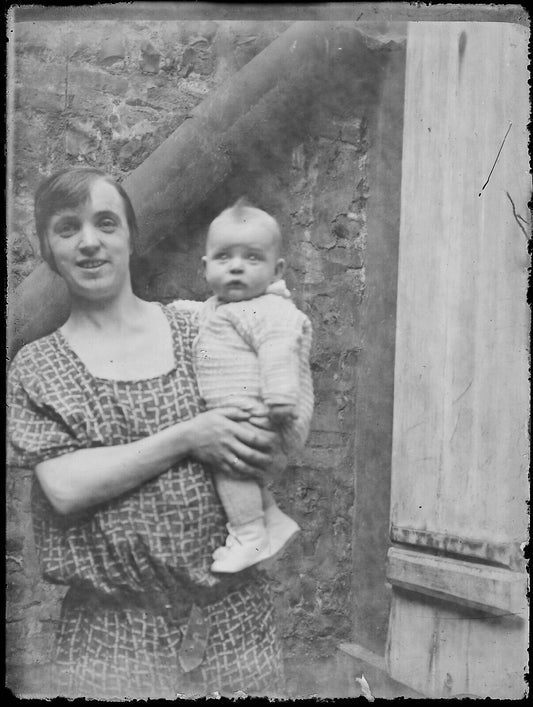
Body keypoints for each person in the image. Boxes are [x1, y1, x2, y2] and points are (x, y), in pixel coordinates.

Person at [7, 168, 287, 699]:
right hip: (113, 642)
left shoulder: (201, 329)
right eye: (68, 228)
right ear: (47, 248)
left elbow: (263, 439)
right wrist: (188, 436)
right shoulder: (38, 367)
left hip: (232, 625)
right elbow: (64, 490)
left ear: (131, 237)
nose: (89, 242)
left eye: (106, 223)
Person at [175, 199, 313, 573]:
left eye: (252, 258)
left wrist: (280, 400)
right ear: (205, 268)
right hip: (245, 409)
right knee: (240, 468)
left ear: (276, 269)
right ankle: (271, 517)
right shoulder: (223, 306)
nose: (236, 266)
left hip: (267, 410)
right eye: (224, 257)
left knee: (230, 467)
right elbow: (199, 314)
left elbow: (279, 349)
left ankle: (250, 535)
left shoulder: (268, 309)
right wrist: (172, 310)